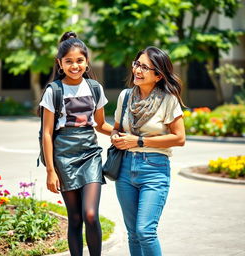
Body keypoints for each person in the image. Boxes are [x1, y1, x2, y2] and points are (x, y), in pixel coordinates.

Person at [39, 31, 112, 256]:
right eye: (68, 61)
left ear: (87, 61)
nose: (74, 66)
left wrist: (123, 133)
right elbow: (48, 134)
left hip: (90, 154)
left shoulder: (95, 88)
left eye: (79, 60)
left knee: (90, 214)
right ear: (60, 63)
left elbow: (100, 124)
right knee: (76, 218)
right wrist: (51, 171)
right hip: (64, 157)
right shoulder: (53, 91)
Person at [111, 46, 186, 256]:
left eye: (145, 67)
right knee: (133, 233)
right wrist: (116, 136)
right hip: (125, 169)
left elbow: (179, 138)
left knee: (145, 231)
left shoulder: (168, 99)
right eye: (137, 64)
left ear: (158, 75)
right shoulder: (125, 97)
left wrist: (140, 141)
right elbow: (116, 128)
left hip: (154, 169)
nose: (138, 70)